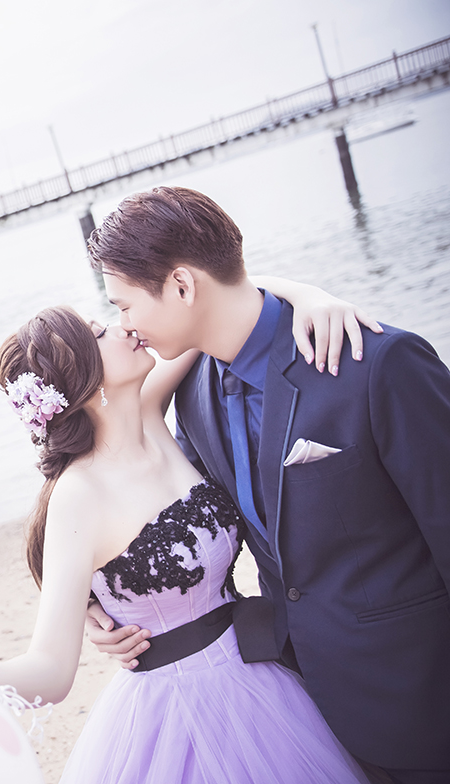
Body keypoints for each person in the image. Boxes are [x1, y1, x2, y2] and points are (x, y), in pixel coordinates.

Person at [83, 186, 450, 784]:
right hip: (304, 707)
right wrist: (95, 598)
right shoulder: (192, 396)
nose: (124, 325)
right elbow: (154, 509)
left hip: (423, 700)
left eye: (124, 305)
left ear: (181, 285)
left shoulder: (376, 364)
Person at [0, 280, 374, 782]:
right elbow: (51, 670)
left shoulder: (148, 413)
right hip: (178, 708)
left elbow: (218, 304)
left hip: (261, 669)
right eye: (99, 332)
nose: (123, 326)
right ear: (83, 380)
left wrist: (308, 296)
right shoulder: (77, 497)